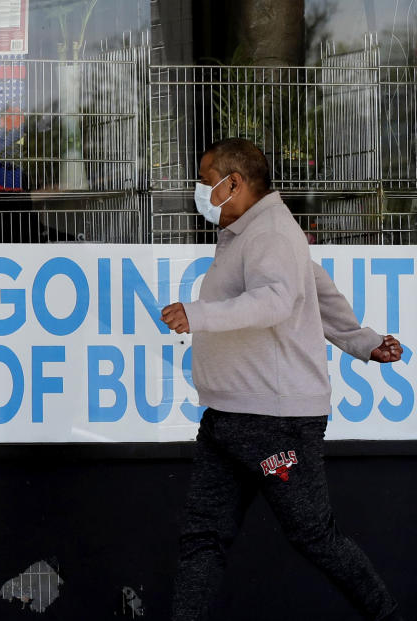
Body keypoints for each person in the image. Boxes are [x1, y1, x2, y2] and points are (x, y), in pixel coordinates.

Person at [160, 138, 405, 621]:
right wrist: (361, 340)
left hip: (275, 424)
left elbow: (276, 300)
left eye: (207, 182)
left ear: (235, 182)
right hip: (227, 421)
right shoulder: (249, 231)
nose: (201, 192)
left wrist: (198, 314)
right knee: (203, 538)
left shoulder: (272, 231)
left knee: (314, 536)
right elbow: (315, 287)